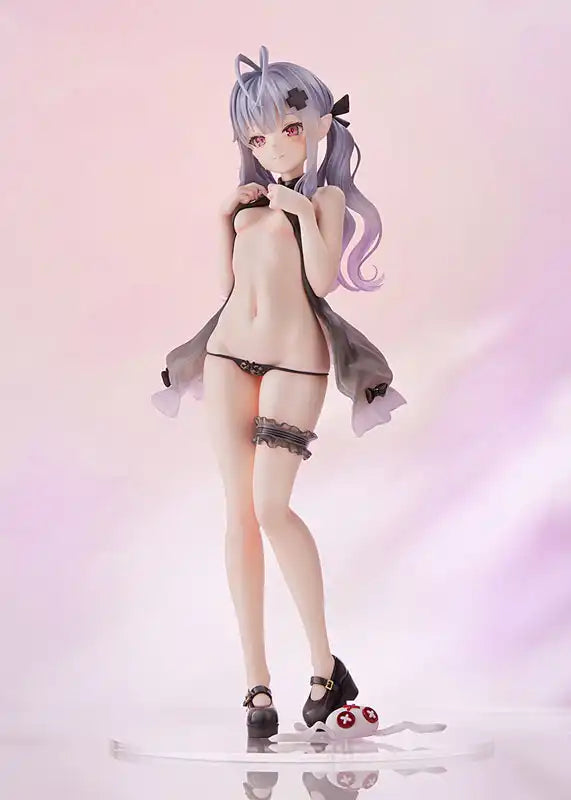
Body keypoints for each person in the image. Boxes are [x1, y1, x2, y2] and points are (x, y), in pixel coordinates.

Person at [152, 45, 406, 738]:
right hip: (228, 355)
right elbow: (228, 287)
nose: (273, 146)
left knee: (271, 507)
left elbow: (323, 281)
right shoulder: (251, 204)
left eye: (288, 129)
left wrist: (297, 210)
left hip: (295, 365)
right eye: (257, 138)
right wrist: (223, 219)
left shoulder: (322, 199)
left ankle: (325, 667)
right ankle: (255, 684)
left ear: (319, 125)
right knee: (238, 513)